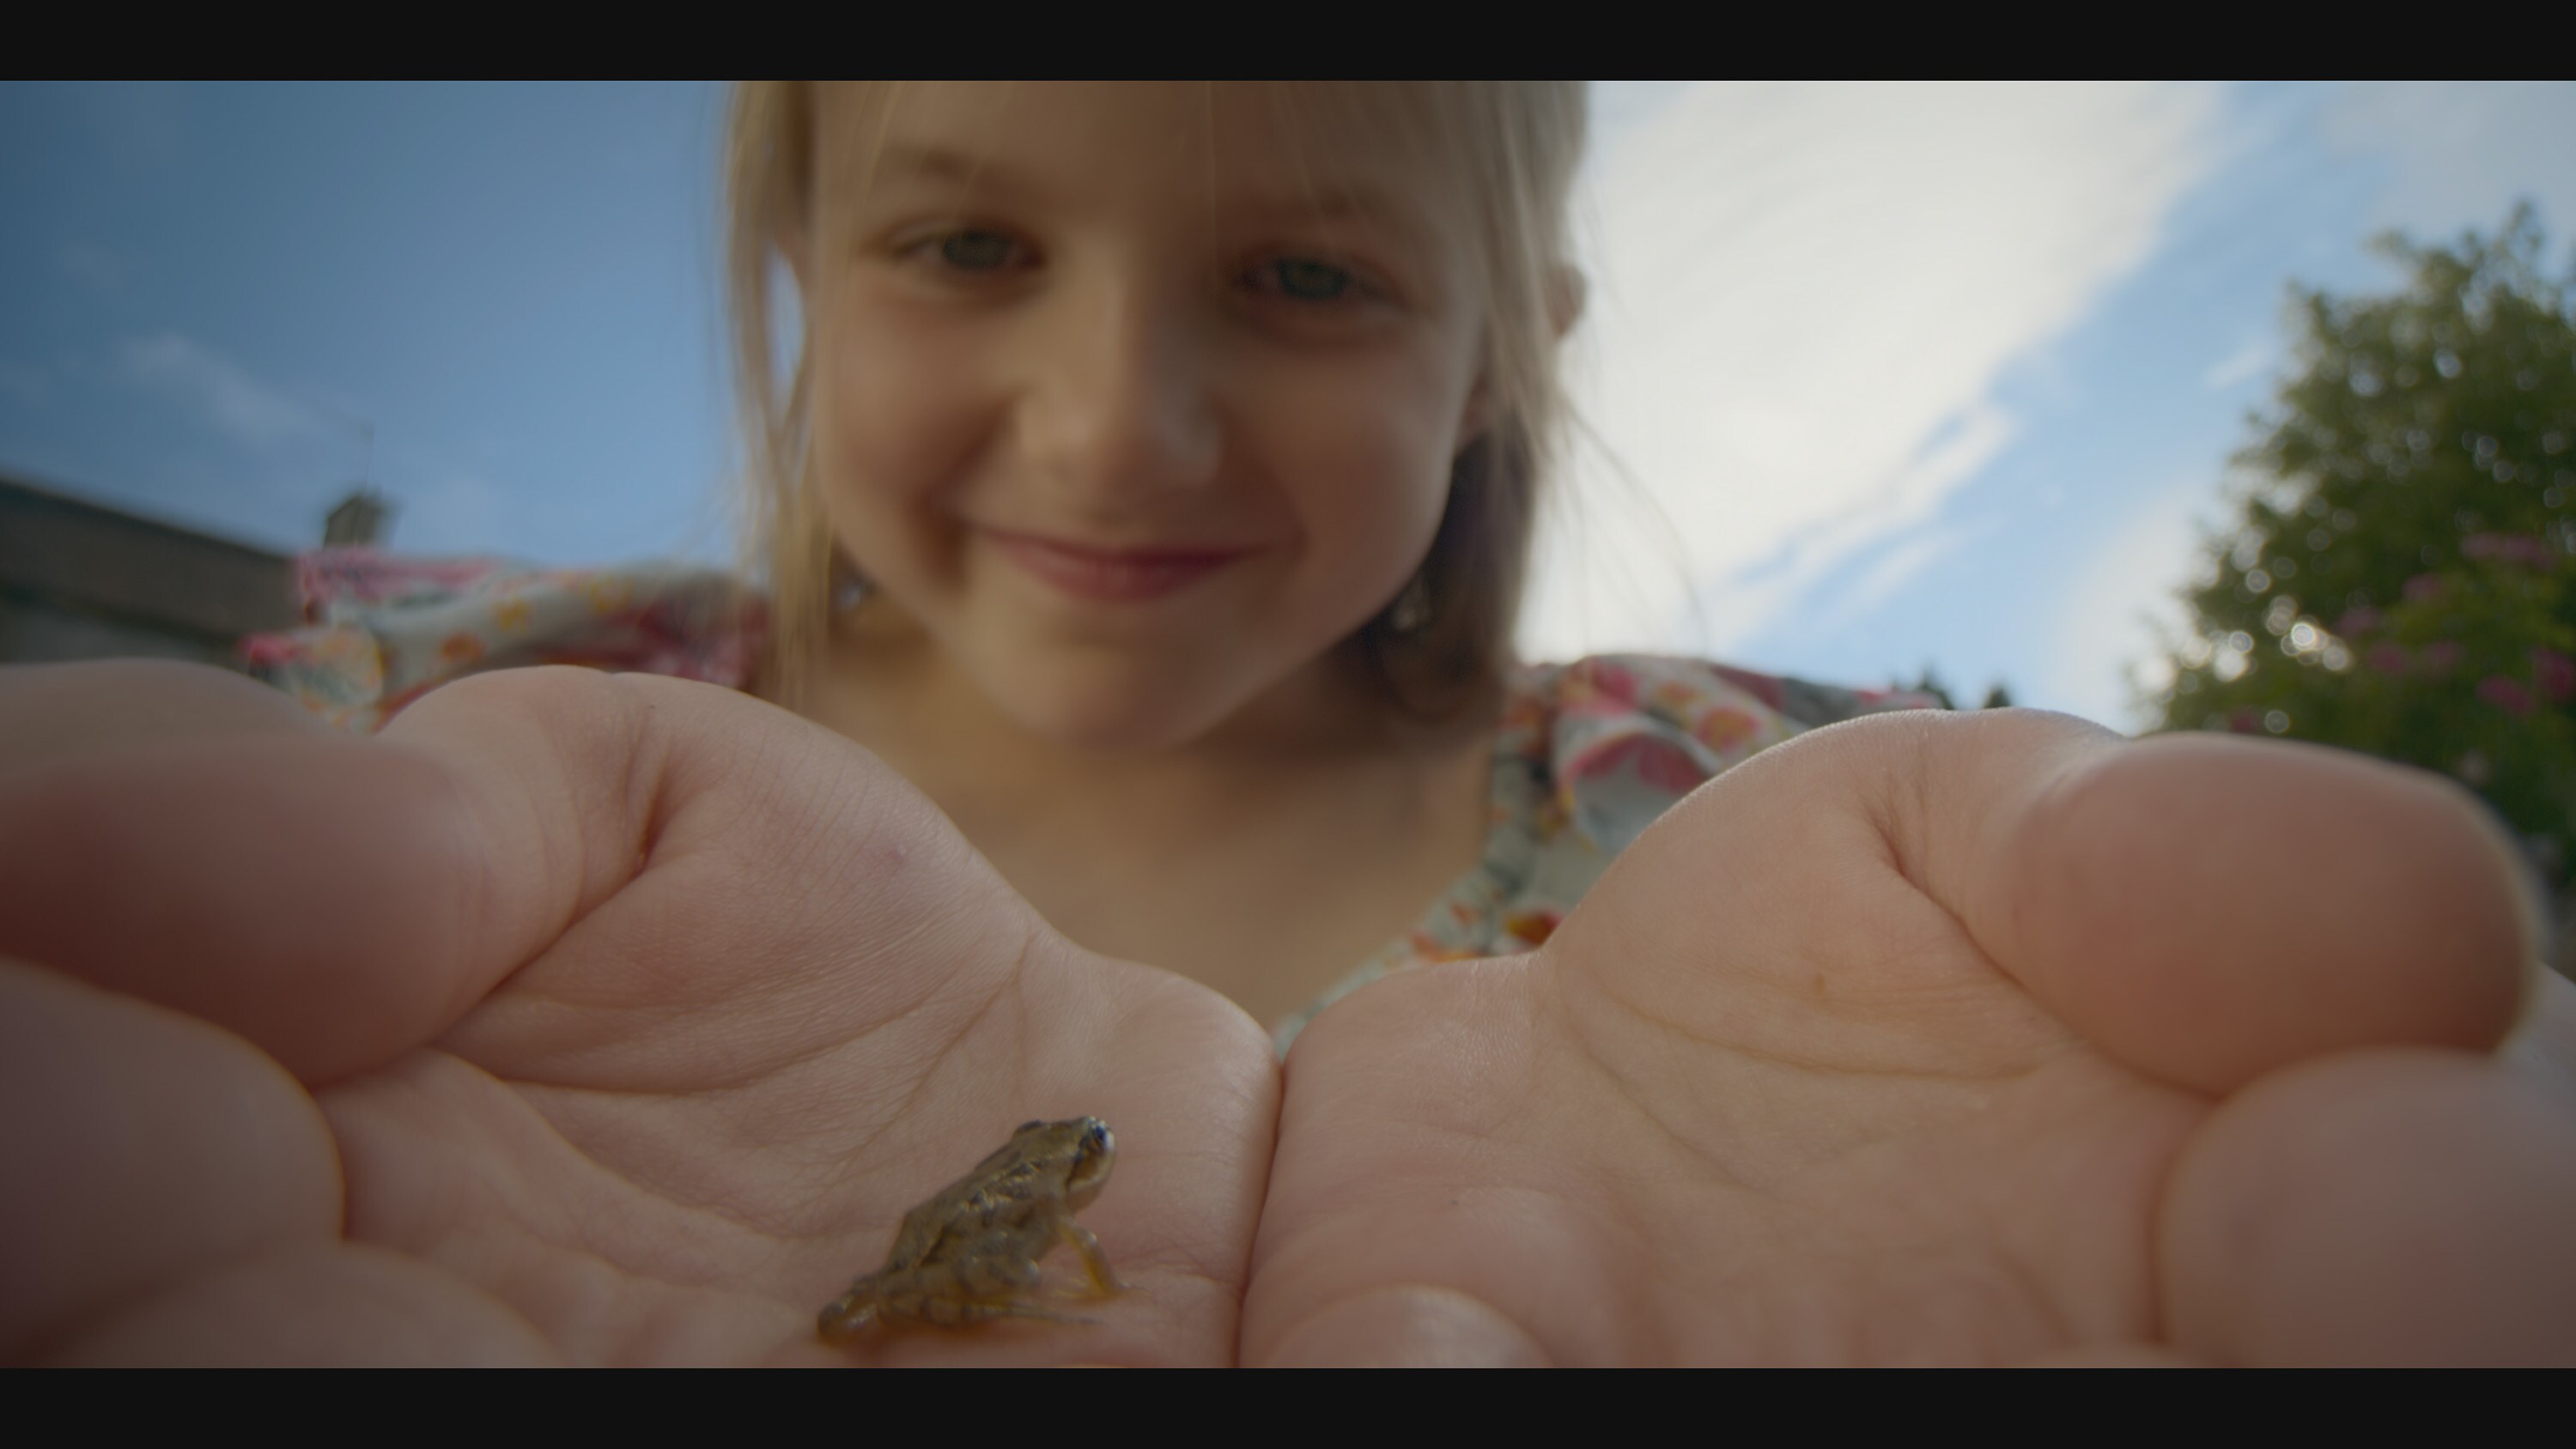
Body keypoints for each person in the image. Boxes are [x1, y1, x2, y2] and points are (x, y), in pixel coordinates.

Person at [3, 82, 2570, 1367]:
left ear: (1505, 359)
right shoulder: (463, 729)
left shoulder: (1762, 828)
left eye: (1311, 279)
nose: (1120, 427)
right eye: (974, 240)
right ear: (803, 257)